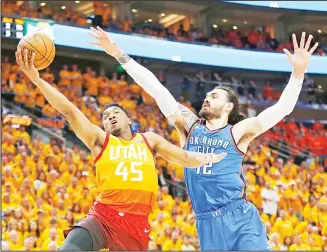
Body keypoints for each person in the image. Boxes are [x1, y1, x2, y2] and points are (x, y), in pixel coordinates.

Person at [89, 27, 318, 250]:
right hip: (206, 221)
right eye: (207, 95)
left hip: (239, 216)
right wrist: (119, 54)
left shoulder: (238, 132)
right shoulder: (189, 126)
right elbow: (156, 89)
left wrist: (298, 73)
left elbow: (281, 109)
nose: (207, 98)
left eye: (214, 96)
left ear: (228, 106)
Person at [15, 48, 226, 251]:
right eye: (106, 116)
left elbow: (186, 158)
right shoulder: (100, 140)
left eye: (115, 113)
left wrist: (211, 158)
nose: (110, 117)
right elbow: (69, 111)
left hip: (135, 224)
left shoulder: (149, 140)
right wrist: (37, 79)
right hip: (103, 215)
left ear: (129, 118)